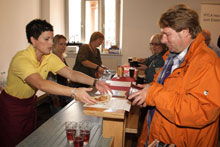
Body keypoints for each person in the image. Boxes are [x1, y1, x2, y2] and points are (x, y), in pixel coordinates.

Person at [0, 19, 111, 147]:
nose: (51, 43)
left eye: (52, 39)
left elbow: (71, 73)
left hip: (29, 103)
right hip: (12, 107)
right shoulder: (22, 59)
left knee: (28, 141)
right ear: (33, 40)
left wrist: (95, 82)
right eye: (47, 39)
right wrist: (74, 92)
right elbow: (40, 84)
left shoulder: (48, 57)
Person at [129, 4, 220, 147]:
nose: (163, 40)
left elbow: (201, 112)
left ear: (185, 32)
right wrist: (147, 92)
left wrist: (153, 94)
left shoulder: (207, 62)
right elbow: (167, 90)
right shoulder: (172, 56)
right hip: (159, 136)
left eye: (167, 34)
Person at [48, 34, 72, 112]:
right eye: (61, 44)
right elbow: (50, 80)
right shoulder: (52, 58)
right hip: (55, 93)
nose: (63, 46)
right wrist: (55, 98)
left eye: (65, 44)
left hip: (64, 89)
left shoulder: (62, 57)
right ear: (54, 44)